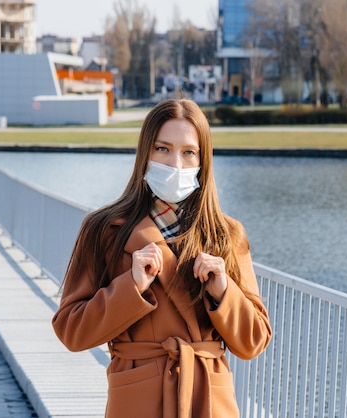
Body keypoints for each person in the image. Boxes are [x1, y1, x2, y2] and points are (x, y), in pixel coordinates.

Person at [52, 99, 272, 418]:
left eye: (188, 152)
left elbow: (253, 341)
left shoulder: (227, 234)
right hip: (138, 399)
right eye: (163, 149)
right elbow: (72, 330)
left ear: (203, 161)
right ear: (145, 153)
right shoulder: (103, 229)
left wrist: (224, 292)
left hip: (209, 398)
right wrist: (131, 287)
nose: (175, 165)